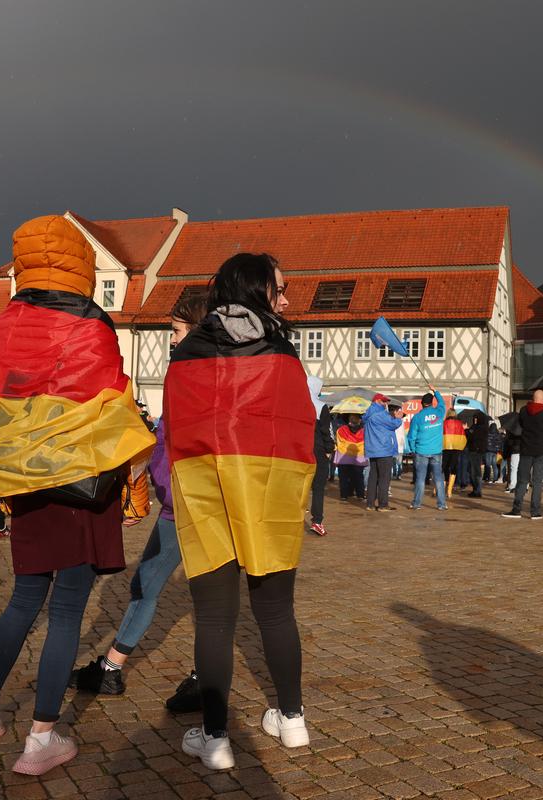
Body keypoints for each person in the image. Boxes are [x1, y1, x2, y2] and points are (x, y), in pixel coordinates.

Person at [0, 215, 155, 774]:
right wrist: (134, 476)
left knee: (22, 602)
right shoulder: (90, 327)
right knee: (67, 611)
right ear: (81, 265)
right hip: (77, 485)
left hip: (23, 485)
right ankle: (40, 738)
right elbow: (112, 403)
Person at [164, 252, 315, 770]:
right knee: (274, 610)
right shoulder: (283, 353)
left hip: (205, 490)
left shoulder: (186, 354)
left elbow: (177, 430)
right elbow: (301, 429)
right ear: (256, 291)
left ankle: (215, 737)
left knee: (214, 617)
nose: (288, 298)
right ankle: (292, 718)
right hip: (269, 493)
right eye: (281, 288)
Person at [72, 291, 208, 713]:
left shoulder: (191, 370)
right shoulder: (201, 368)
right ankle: (202, 675)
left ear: (196, 329)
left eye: (177, 330)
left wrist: (160, 486)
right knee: (205, 595)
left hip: (184, 502)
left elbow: (178, 440)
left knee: (150, 585)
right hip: (197, 499)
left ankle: (113, 670)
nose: (171, 339)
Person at [501, 390, 543, 520]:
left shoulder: (524, 411)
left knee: (522, 480)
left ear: (532, 398)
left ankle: (516, 509)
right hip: (542, 451)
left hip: (526, 450)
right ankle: (535, 511)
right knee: (537, 482)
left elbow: (522, 424)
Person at [407, 388, 447, 510]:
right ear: (432, 402)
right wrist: (436, 391)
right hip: (436, 451)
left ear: (422, 404)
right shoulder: (439, 412)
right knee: (438, 478)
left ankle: (417, 504)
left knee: (420, 478)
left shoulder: (417, 417)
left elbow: (411, 436)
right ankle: (441, 504)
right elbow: (442, 403)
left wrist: (413, 449)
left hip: (421, 451)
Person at [362, 393, 402, 511]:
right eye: (384, 401)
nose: (386, 404)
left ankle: (370, 504)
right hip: (383, 450)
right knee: (384, 478)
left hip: (372, 450)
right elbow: (393, 424)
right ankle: (383, 505)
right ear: (378, 401)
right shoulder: (380, 414)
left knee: (373, 477)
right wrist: (398, 418)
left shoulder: (368, 413)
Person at [308, 378, 334, 536]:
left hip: (298, 451)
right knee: (318, 488)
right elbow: (327, 431)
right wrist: (329, 449)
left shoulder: (295, 403)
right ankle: (317, 521)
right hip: (317, 451)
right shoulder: (320, 406)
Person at [333, 414, 367, 500]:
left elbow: (337, 441)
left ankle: (344, 495)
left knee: (343, 477)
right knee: (358, 477)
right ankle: (360, 494)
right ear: (359, 420)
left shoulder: (341, 430)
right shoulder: (364, 431)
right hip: (358, 457)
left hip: (343, 457)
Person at [463, 414, 490, 498]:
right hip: (477, 451)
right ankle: (476, 490)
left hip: (475, 451)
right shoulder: (483, 427)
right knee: (474, 471)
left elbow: (472, 436)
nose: (475, 420)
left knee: (474, 471)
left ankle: (477, 490)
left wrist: (466, 430)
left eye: (476, 419)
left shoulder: (479, 428)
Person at [441, 411, 467, 496]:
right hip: (456, 448)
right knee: (453, 468)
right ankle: (449, 491)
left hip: (445, 448)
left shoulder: (444, 423)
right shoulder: (459, 424)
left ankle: (441, 488)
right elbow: (463, 437)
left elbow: (440, 435)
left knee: (444, 467)